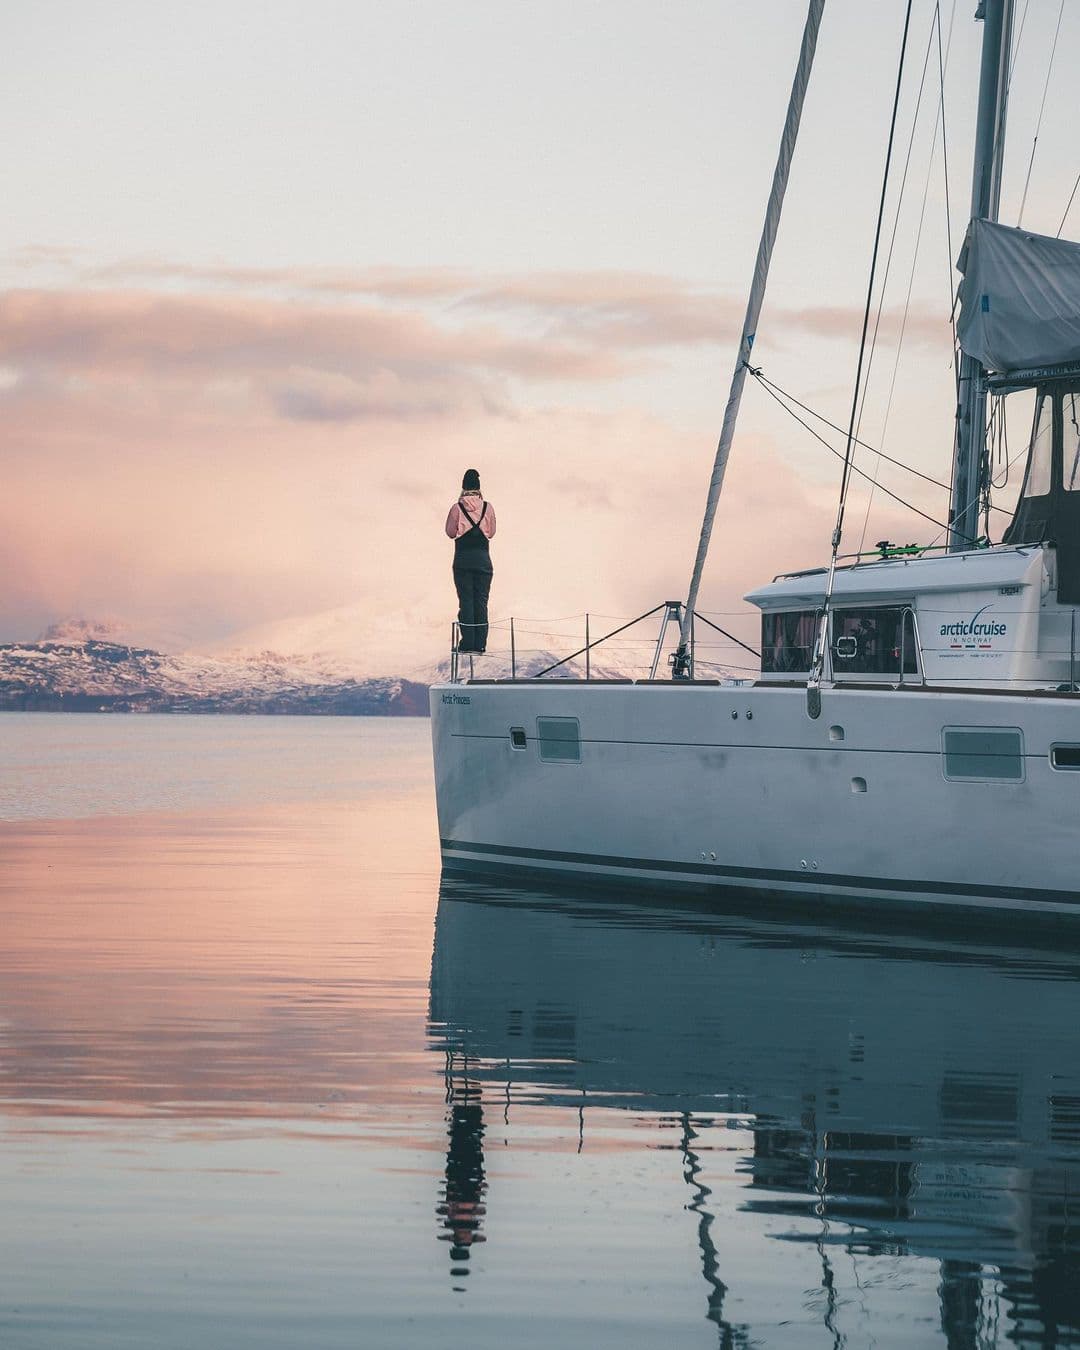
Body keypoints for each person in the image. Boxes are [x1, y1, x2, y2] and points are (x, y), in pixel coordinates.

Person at [445, 469, 496, 653]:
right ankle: (480, 644)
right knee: (481, 601)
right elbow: (491, 533)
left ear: (463, 486)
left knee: (466, 600)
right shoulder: (488, 507)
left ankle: (467, 643)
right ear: (479, 487)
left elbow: (450, 533)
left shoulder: (456, 508)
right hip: (483, 559)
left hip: (463, 559)